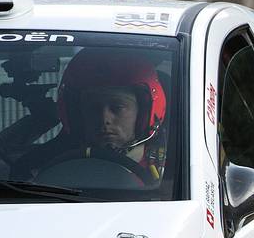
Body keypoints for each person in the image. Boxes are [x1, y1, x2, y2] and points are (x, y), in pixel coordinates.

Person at [29, 48, 168, 182]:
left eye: (117, 108)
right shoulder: (47, 172)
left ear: (144, 112)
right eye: (93, 109)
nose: (104, 119)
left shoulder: (173, 170)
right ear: (78, 115)